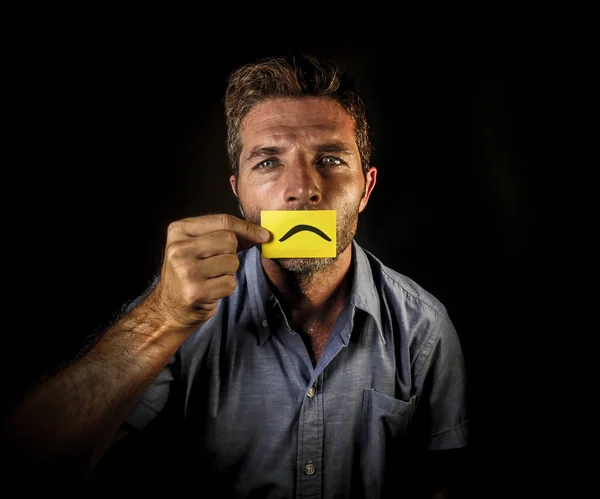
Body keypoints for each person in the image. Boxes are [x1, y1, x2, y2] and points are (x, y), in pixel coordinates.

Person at [2, 53, 469, 498]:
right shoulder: (182, 308)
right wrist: (162, 318)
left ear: (365, 189)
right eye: (268, 161)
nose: (303, 189)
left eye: (330, 159)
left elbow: (442, 483)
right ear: (239, 193)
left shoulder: (423, 327)